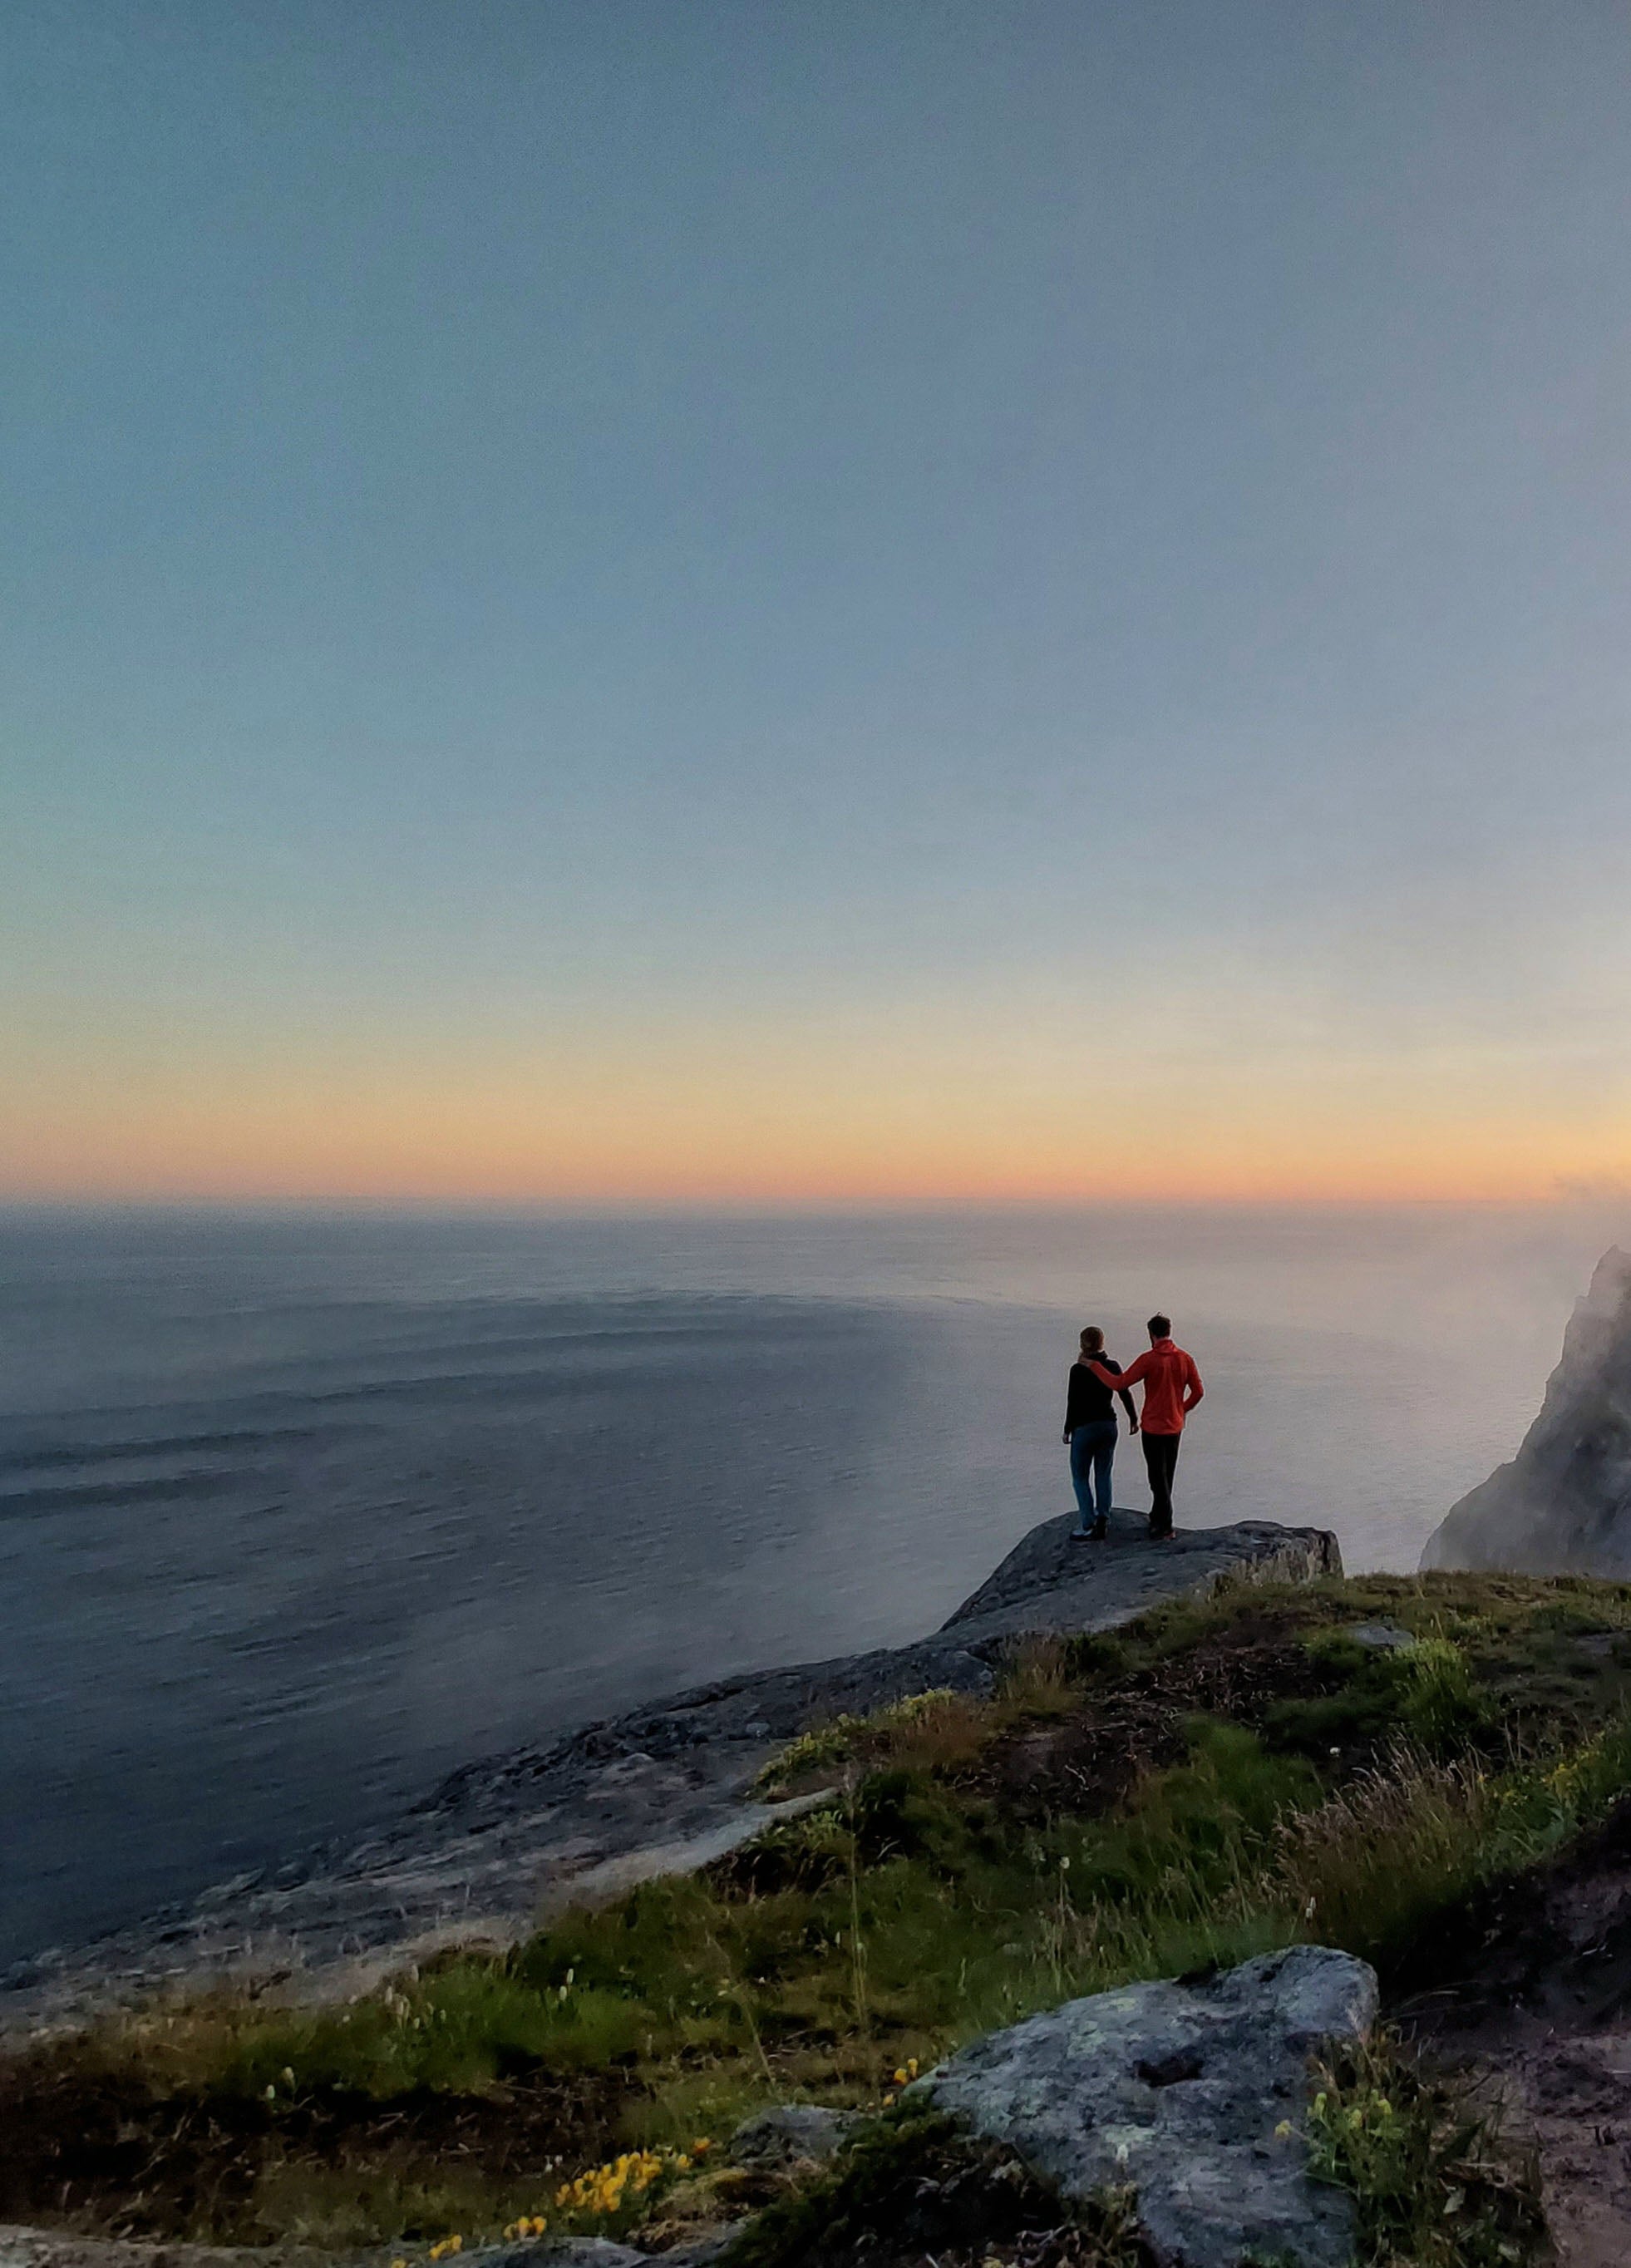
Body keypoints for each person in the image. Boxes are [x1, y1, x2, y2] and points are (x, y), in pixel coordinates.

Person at [1088, 1314, 1202, 1541]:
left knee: (1156, 1478)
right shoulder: (1185, 1359)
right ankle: (1158, 1515)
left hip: (1153, 1427)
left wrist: (1094, 1367)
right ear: (1169, 1331)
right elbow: (1198, 1392)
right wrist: (1182, 1410)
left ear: (1151, 1334)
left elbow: (1119, 1383)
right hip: (1175, 1427)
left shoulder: (1149, 1359)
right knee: (1166, 1476)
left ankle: (1165, 1526)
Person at [1062, 1326, 1138, 1541]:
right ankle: (1103, 1517)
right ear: (1102, 1343)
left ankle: (1088, 1524)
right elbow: (1124, 1392)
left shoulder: (1078, 1370)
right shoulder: (1112, 1365)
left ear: (1082, 1344)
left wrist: (1068, 1428)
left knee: (1080, 1477)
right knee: (1103, 1473)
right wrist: (1133, 1418)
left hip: (1085, 1427)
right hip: (1108, 1425)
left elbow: (1073, 1401)